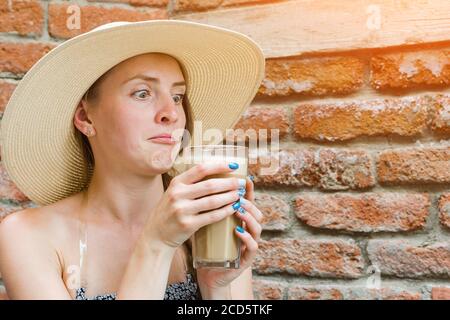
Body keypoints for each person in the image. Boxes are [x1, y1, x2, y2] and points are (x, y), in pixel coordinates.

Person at [0, 20, 265, 300]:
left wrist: (217, 288)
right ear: (86, 118)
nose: (171, 114)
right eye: (142, 93)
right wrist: (156, 244)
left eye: (177, 96)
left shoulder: (210, 223)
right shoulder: (28, 236)